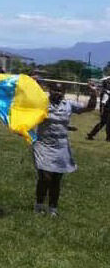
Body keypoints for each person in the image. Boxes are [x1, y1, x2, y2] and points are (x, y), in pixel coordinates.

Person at [33, 82, 97, 216]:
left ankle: (53, 209)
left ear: (64, 93)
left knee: (56, 179)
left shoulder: (68, 104)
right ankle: (39, 205)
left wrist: (93, 93)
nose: (58, 93)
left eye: (61, 91)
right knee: (45, 177)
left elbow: (89, 107)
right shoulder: (41, 103)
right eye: (55, 90)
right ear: (49, 90)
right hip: (43, 144)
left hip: (61, 146)